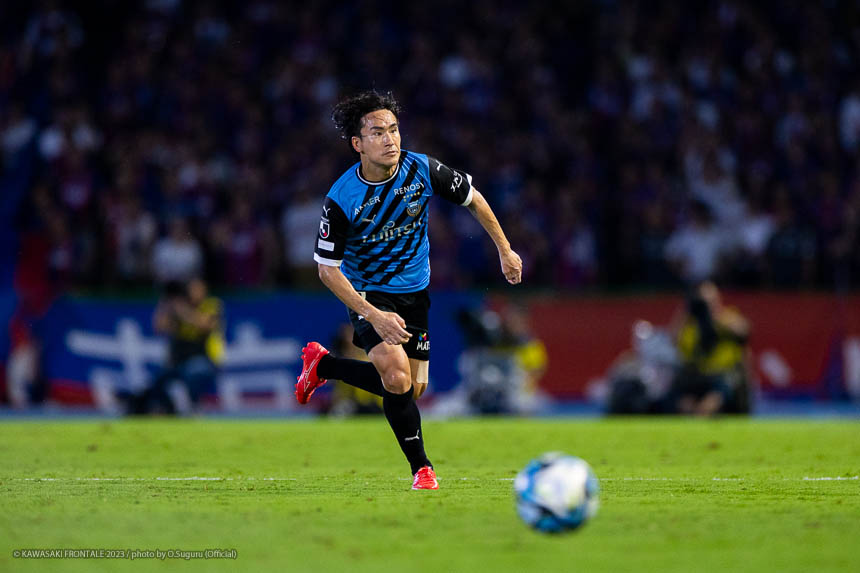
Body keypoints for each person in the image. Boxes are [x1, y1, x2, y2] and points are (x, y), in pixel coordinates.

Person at [295, 91, 522, 490]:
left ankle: (324, 366)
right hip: (369, 293)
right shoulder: (342, 199)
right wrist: (373, 314)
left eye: (394, 130)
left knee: (411, 389)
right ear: (357, 144)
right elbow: (327, 270)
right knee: (397, 377)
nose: (390, 140)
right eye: (378, 133)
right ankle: (423, 469)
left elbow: (474, 198)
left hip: (415, 291)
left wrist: (505, 249)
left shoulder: (422, 169)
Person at [127, 278, 224, 414]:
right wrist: (165, 305)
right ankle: (171, 409)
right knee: (158, 383)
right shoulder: (178, 307)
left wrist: (182, 310)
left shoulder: (211, 304)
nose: (196, 292)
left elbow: (205, 324)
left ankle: (192, 405)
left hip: (204, 359)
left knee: (194, 372)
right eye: (193, 289)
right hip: (178, 361)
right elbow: (159, 328)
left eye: (199, 289)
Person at [669, 281, 752, 416]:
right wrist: (685, 313)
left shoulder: (727, 317)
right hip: (698, 376)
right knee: (679, 393)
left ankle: (702, 413)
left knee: (719, 392)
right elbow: (673, 340)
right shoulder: (690, 324)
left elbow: (743, 330)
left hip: (722, 375)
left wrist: (714, 317)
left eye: (710, 300)